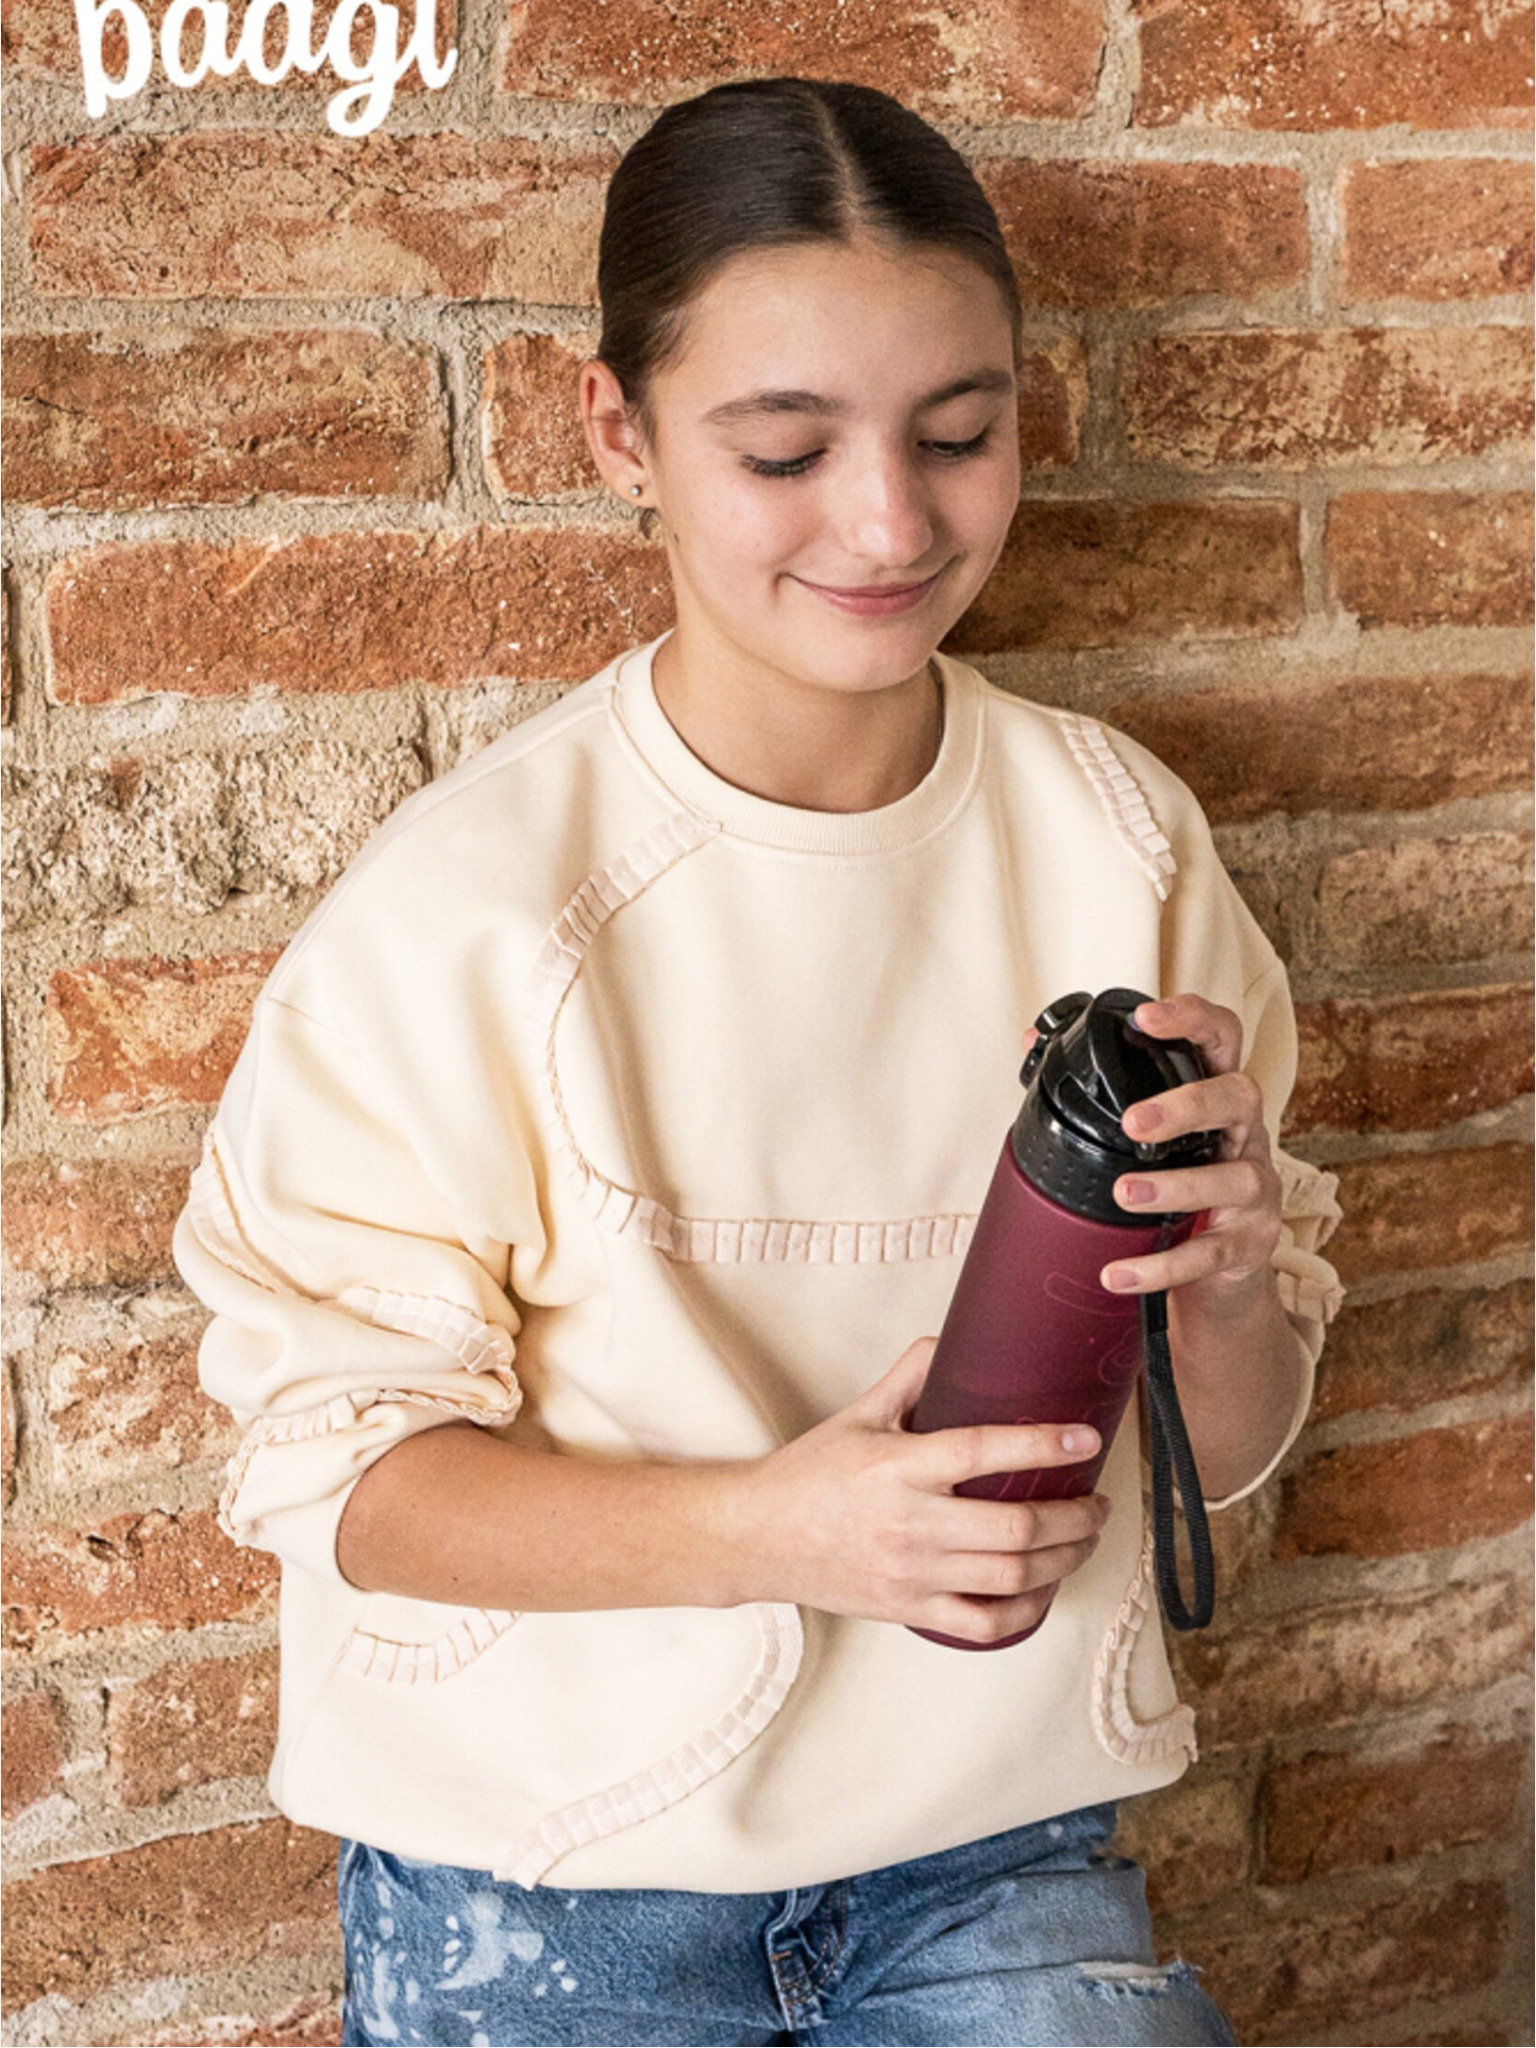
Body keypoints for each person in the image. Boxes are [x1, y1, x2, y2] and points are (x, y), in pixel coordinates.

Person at [171, 76, 1345, 2048]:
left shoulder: (1120, 847)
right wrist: (783, 1531)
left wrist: (1222, 1286)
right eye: (786, 449)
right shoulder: (473, 910)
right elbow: (344, 1480)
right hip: (551, 1870)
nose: (890, 522)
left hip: (993, 1828)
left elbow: (1212, 1453)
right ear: (618, 434)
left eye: (957, 435)